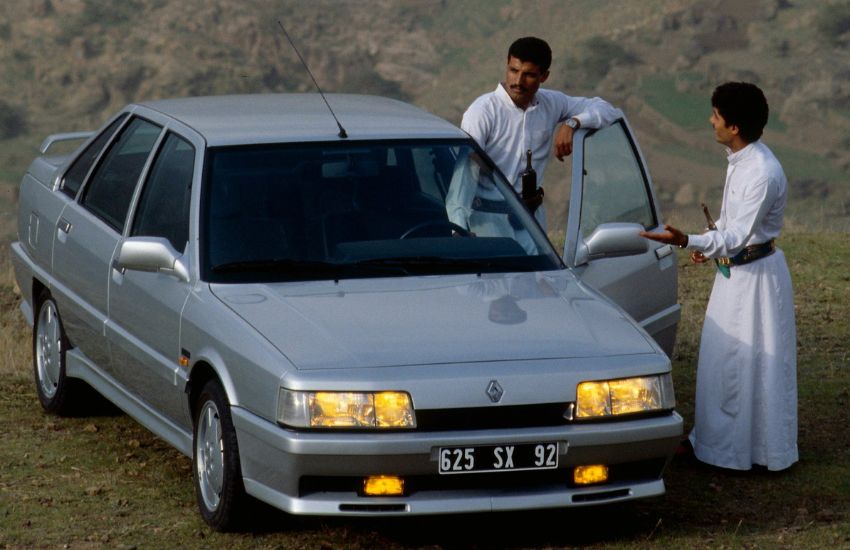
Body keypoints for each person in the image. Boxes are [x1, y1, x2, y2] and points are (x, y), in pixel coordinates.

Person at [640, 82, 798, 472]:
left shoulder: (761, 172)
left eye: (716, 115)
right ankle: (718, 445)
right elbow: (728, 228)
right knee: (724, 360)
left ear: (734, 127)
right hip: (737, 276)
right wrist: (707, 241)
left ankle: (756, 451)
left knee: (751, 363)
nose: (710, 121)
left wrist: (687, 240)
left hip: (756, 281)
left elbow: (737, 236)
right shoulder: (742, 160)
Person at [447, 36, 621, 232]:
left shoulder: (551, 103)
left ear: (544, 76)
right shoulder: (482, 112)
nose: (518, 81)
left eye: (529, 74)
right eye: (514, 71)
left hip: (532, 221)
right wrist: (459, 230)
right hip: (489, 221)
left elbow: (607, 110)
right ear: (507, 65)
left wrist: (572, 123)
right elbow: (465, 174)